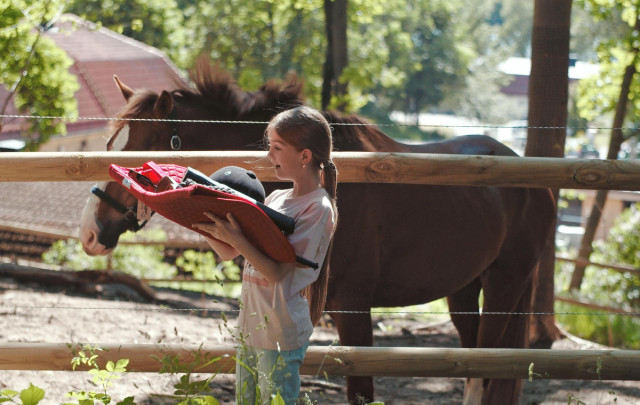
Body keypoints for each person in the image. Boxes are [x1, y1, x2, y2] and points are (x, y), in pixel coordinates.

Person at [193, 106, 338, 405]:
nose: (269, 156)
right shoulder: (276, 198)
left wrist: (237, 238)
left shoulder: (318, 210)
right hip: (251, 328)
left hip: (280, 335)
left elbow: (278, 273)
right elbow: (229, 252)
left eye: (276, 147)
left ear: (305, 156)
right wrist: (198, 219)